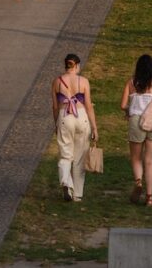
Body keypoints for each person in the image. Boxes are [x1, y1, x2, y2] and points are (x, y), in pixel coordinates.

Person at [120, 54, 152, 207]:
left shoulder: (131, 82)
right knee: (150, 161)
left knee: (136, 158)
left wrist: (131, 109)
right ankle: (149, 197)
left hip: (136, 121)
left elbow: (122, 105)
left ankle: (138, 181)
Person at [52, 54, 98, 201]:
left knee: (66, 154)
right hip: (81, 116)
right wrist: (94, 127)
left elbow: (54, 106)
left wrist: (56, 124)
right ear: (77, 65)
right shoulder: (83, 81)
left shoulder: (57, 82)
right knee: (80, 157)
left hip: (64, 116)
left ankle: (66, 182)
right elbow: (89, 106)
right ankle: (77, 194)